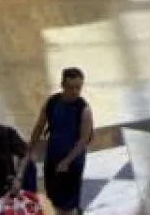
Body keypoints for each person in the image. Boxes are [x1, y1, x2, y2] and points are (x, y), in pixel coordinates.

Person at [26, 68, 94, 215]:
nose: (75, 91)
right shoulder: (51, 103)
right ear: (62, 84)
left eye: (78, 87)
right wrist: (30, 148)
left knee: (67, 203)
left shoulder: (84, 110)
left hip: (72, 162)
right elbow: (39, 126)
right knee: (53, 196)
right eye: (71, 87)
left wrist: (67, 161)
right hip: (53, 156)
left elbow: (83, 141)